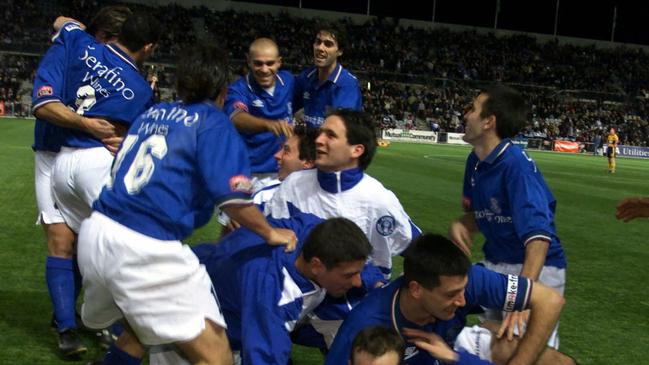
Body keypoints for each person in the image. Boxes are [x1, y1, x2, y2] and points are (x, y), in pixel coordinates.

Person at [77, 43, 297, 365]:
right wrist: (271, 233)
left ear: (179, 83)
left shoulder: (151, 113)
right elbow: (234, 198)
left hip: (97, 232)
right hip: (145, 247)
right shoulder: (213, 122)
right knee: (216, 356)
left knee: (140, 327)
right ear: (224, 89)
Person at [265, 109, 420, 347]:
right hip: (296, 296)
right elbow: (272, 242)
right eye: (320, 133)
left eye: (331, 135)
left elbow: (415, 247)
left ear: (356, 150)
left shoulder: (378, 199)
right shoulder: (294, 184)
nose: (318, 140)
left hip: (354, 304)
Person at [30, 6, 131, 357]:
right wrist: (89, 125)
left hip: (92, 160)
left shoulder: (117, 66)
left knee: (94, 245)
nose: (113, 52)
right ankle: (66, 328)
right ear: (96, 36)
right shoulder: (70, 46)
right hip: (51, 153)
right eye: (108, 42)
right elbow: (43, 105)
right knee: (61, 241)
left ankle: (95, 318)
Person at [148, 214, 372, 365]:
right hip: (184, 317)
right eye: (349, 275)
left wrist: (375, 279)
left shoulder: (305, 233)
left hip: (193, 270)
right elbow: (266, 355)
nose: (356, 282)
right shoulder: (273, 298)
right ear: (316, 265)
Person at [326, 234, 575, 365]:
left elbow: (550, 300)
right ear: (416, 289)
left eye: (463, 290)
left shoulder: (467, 280)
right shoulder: (366, 326)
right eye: (450, 295)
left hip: (448, 350)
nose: (461, 301)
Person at [448, 84, 566, 349]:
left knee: (524, 348)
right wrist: (460, 223)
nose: (465, 114)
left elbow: (538, 238)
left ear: (489, 122)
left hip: (534, 269)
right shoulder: (475, 161)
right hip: (497, 264)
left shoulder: (516, 165)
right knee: (491, 343)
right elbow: (488, 214)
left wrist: (525, 297)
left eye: (473, 109)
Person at [37, 13, 162, 236]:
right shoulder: (141, 90)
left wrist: (81, 32)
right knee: (127, 236)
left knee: (69, 244)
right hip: (91, 157)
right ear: (148, 47)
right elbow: (145, 138)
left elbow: (60, 22)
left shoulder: (79, 41)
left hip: (64, 160)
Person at [224, 37, 295, 191]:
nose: (264, 69)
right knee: (235, 215)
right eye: (258, 63)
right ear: (248, 61)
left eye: (270, 63)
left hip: (279, 171)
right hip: (244, 171)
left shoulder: (289, 81)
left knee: (277, 215)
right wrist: (268, 125)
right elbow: (236, 117)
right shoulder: (239, 89)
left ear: (279, 62)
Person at [294, 24, 362, 129]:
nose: (320, 48)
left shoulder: (348, 85)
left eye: (328, 44)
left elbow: (341, 130)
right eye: (318, 42)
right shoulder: (305, 77)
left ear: (340, 51)